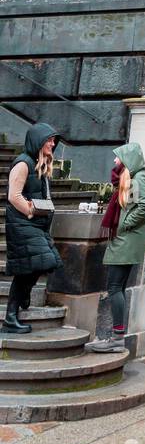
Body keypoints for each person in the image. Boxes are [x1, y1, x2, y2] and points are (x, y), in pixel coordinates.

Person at [89, 142, 145, 353]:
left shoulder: (138, 178)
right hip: (125, 239)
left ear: (128, 159)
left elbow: (144, 207)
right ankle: (117, 337)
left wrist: (124, 224)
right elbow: (132, 204)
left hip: (126, 240)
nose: (115, 161)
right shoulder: (130, 179)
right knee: (118, 288)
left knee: (115, 288)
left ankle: (117, 338)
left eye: (118, 157)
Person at [3, 123, 62, 335]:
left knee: (43, 263)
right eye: (49, 140)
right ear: (38, 140)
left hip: (36, 224)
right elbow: (13, 196)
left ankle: (24, 293)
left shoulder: (40, 164)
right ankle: (10, 317)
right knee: (30, 267)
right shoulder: (23, 163)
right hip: (23, 224)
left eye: (53, 140)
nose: (52, 143)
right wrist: (30, 210)